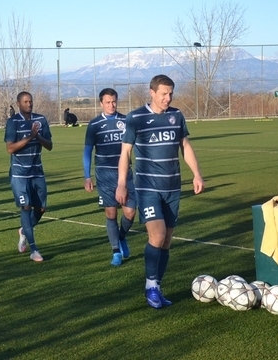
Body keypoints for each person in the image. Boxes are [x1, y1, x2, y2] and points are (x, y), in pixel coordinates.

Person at [116, 74, 204, 309]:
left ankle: (157, 284)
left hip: (172, 187)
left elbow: (185, 146)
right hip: (147, 187)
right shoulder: (136, 118)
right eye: (164, 93)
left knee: (166, 242)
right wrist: (122, 183)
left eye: (171, 93)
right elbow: (125, 153)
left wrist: (197, 174)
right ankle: (150, 287)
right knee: (157, 235)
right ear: (152, 92)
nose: (168, 98)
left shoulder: (176, 116)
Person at [84, 88, 136, 267]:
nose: (111, 105)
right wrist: (87, 176)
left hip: (125, 172)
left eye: (114, 101)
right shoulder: (94, 124)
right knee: (111, 212)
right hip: (104, 174)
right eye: (107, 102)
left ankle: (121, 237)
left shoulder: (126, 120)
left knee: (130, 212)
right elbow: (87, 151)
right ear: (101, 103)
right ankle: (115, 251)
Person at [5, 92, 53, 262]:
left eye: (30, 101)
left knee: (41, 209)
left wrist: (38, 136)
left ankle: (24, 230)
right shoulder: (13, 122)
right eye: (25, 102)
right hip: (19, 173)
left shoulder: (40, 120)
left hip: (37, 172)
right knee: (26, 207)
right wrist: (29, 137)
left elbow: (50, 146)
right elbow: (10, 148)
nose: (29, 104)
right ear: (18, 104)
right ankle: (34, 249)